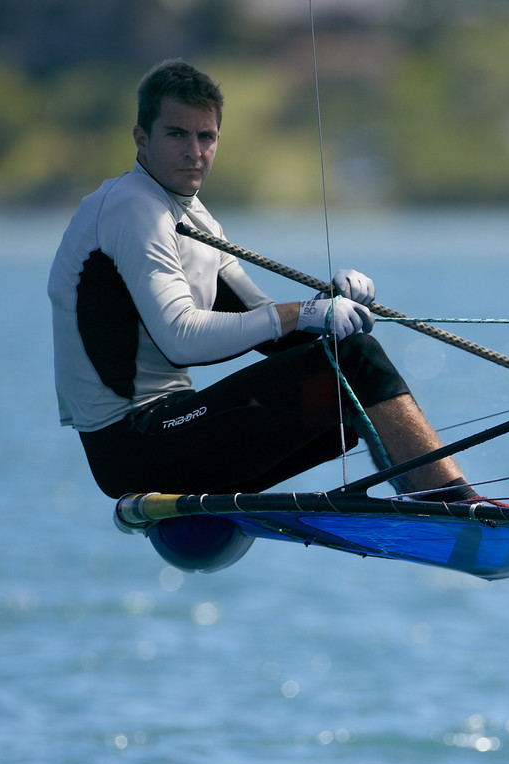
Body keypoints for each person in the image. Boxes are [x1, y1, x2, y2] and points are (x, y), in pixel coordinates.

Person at [48, 59, 472, 502]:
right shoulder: (132, 207)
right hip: (133, 445)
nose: (194, 150)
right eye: (177, 134)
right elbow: (181, 339)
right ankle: (457, 506)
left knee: (345, 365)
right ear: (142, 138)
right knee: (355, 359)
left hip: (165, 436)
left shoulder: (196, 220)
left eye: (205, 136)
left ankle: (434, 506)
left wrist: (329, 306)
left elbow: (263, 325)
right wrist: (303, 314)